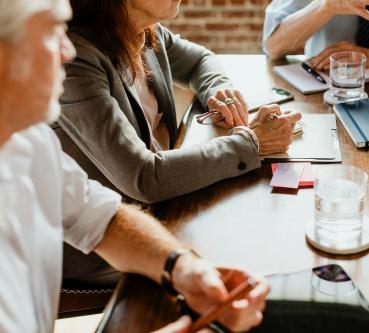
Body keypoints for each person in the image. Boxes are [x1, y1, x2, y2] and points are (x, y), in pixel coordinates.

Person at [0, 1, 269, 332]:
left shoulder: (29, 143)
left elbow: (102, 218)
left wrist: (182, 266)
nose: (67, 49)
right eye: (51, 32)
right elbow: (142, 177)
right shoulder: (83, 61)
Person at [56, 0, 301, 206]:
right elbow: (143, 176)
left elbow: (200, 61)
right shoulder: (76, 62)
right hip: (112, 243)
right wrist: (251, 143)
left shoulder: (146, 31)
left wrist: (220, 92)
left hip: (167, 202)